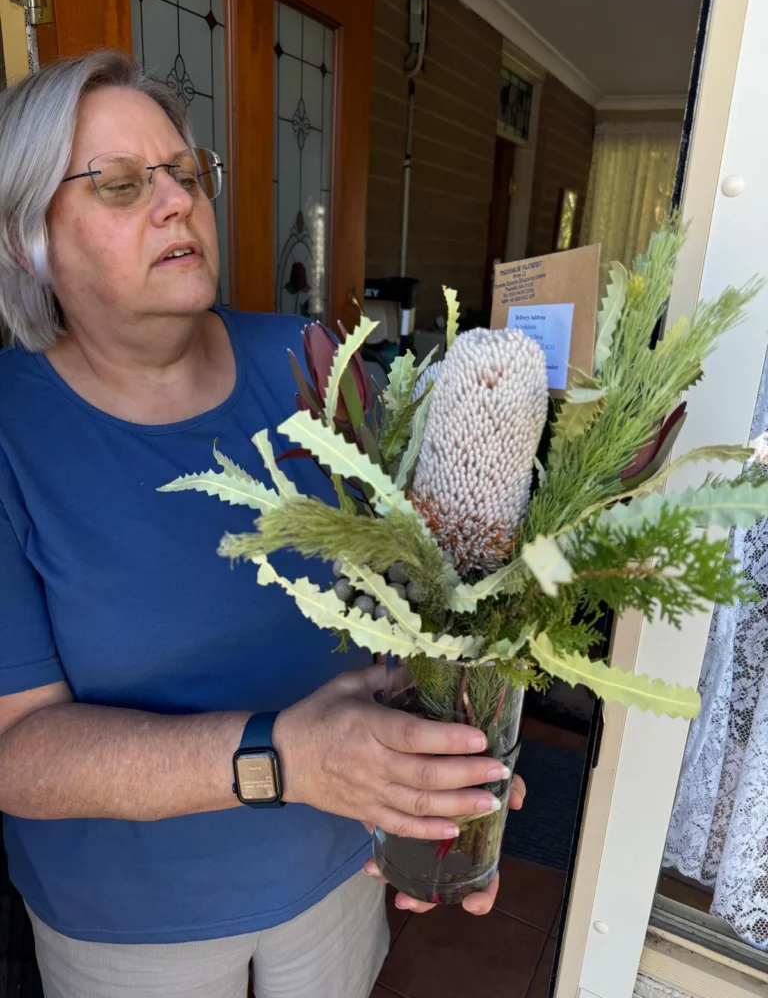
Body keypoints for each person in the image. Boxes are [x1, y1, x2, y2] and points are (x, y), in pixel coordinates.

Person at [0, 51, 525, 998]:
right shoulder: (10, 431)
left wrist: (448, 744)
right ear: (27, 239)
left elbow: (413, 599)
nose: (175, 203)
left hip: (332, 872)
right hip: (128, 930)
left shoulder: (318, 367)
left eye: (186, 173)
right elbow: (18, 751)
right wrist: (281, 757)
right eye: (121, 184)